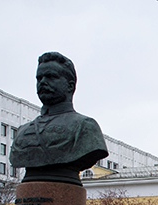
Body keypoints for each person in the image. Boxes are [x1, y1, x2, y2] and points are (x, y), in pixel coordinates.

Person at [10, 52, 108, 185]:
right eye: (39, 78)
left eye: (51, 77)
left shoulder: (85, 126)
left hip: (66, 182)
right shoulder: (23, 131)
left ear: (70, 86)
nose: (43, 82)